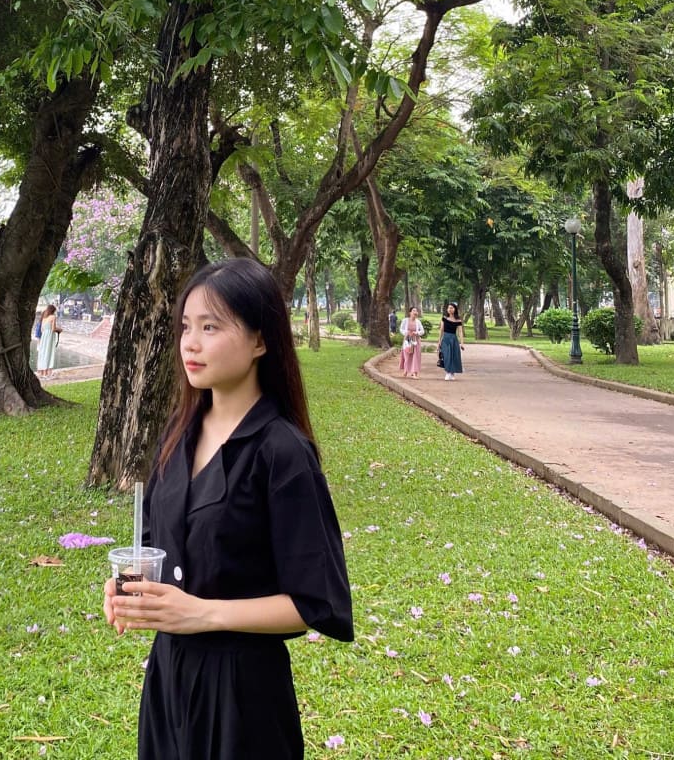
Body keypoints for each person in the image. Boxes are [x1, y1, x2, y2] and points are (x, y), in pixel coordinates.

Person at [103, 258, 353, 759]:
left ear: (260, 341)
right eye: (186, 327)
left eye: (211, 327)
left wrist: (201, 613)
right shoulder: (177, 435)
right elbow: (153, 544)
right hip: (168, 680)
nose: (190, 344)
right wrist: (129, 589)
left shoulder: (282, 452)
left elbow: (315, 604)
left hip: (243, 697)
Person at [439, 301, 464, 381]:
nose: (450, 309)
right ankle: (448, 372)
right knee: (447, 356)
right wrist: (439, 341)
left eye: (452, 308)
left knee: (454, 356)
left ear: (455, 309)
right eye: (449, 308)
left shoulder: (458, 320)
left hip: (453, 339)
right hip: (445, 339)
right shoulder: (444, 318)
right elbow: (441, 330)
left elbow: (460, 332)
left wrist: (462, 343)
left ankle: (452, 373)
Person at [398, 306, 425, 378]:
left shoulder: (418, 321)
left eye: (416, 311)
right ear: (410, 312)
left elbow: (422, 331)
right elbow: (401, 329)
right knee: (407, 355)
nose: (415, 312)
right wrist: (406, 333)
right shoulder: (405, 320)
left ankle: (414, 373)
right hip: (407, 340)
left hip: (416, 340)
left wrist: (416, 333)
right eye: (413, 311)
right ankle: (406, 370)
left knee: (415, 356)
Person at [36, 304, 61, 376]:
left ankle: (42, 372)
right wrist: (59, 330)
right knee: (49, 353)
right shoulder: (53, 317)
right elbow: (53, 329)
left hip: (44, 337)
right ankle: (47, 373)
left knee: (43, 353)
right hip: (50, 337)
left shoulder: (44, 318)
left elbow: (42, 329)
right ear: (53, 311)